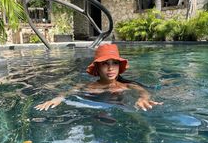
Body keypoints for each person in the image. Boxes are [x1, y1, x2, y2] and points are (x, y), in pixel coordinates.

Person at [35, 43, 163, 111]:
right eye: (105, 63)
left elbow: (143, 91)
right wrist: (57, 99)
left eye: (115, 63)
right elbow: (68, 92)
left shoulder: (126, 85)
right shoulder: (87, 86)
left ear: (119, 66)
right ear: (97, 67)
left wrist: (143, 98)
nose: (111, 68)